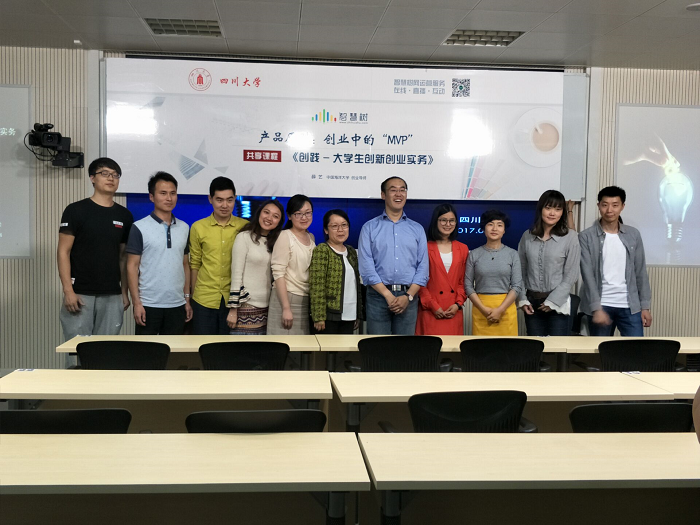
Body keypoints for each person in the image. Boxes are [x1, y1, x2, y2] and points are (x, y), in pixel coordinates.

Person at [57, 157, 133, 348]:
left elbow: (123, 257)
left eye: (115, 175)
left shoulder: (124, 215)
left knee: (107, 352)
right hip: (80, 294)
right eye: (104, 173)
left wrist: (124, 292)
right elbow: (63, 251)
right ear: (92, 178)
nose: (111, 178)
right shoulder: (76, 210)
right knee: (78, 351)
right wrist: (68, 291)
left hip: (112, 294)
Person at [358, 176, 428, 335]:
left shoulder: (417, 229)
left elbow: (423, 268)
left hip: (408, 297)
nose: (399, 194)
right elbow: (366, 268)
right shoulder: (369, 228)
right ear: (383, 195)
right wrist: (387, 295)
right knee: (377, 346)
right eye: (393, 190)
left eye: (402, 190)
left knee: (404, 347)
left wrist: (408, 296)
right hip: (377, 297)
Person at [579, 186, 652, 336]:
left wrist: (645, 306)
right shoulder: (586, 236)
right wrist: (596, 308)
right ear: (598, 205)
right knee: (600, 349)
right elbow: (587, 275)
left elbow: (640, 272)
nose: (609, 210)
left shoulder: (633, 234)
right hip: (602, 305)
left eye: (615, 205)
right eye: (605, 205)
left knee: (637, 348)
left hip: (630, 306)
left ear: (622, 206)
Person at [126, 172, 192, 335]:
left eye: (173, 193)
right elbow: (132, 267)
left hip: (177, 304)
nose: (169, 198)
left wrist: (187, 299)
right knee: (147, 350)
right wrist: (137, 303)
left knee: (174, 350)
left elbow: (185, 264)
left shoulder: (184, 227)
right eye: (163, 193)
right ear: (151, 197)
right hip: (148, 305)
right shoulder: (139, 227)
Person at [189, 177, 248, 335]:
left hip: (233, 300)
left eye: (229, 200)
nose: (225, 205)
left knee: (226, 347)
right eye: (219, 200)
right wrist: (193, 297)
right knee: (202, 345)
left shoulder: (244, 227)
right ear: (210, 199)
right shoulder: (198, 227)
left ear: (235, 199)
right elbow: (195, 264)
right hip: (204, 298)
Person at [518, 189, 580, 336]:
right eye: (548, 208)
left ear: (562, 213)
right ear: (541, 209)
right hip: (532, 304)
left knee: (558, 348)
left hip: (559, 304)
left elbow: (571, 275)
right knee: (535, 346)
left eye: (558, 209)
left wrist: (552, 301)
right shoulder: (527, 236)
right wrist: (522, 299)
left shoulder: (570, 237)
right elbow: (519, 271)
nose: (552, 213)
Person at [226, 199, 284, 335]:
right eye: (266, 212)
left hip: (268, 309)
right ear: (259, 213)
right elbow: (236, 275)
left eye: (275, 216)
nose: (269, 218)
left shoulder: (275, 243)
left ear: (279, 222)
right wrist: (233, 309)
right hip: (245, 307)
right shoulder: (244, 237)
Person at [465, 210, 522, 336]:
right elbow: (468, 286)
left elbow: (517, 286)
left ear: (504, 230)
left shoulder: (513, 254)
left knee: (507, 347)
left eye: (499, 225)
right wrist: (484, 309)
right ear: (483, 228)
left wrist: (500, 310)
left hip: (505, 309)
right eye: (490, 224)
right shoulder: (474, 254)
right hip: (481, 309)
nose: (495, 228)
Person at [415, 204, 468, 335]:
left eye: (452, 221)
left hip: (453, 311)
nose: (448, 224)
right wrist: (432, 305)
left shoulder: (463, 248)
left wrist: (457, 304)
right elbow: (419, 281)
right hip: (430, 310)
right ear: (436, 221)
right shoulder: (425, 247)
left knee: (453, 348)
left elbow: (463, 281)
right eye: (443, 220)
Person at [267, 195, 315, 335]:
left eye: (308, 213)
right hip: (286, 299)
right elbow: (278, 273)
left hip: (305, 300)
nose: (304, 217)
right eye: (298, 214)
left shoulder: (311, 237)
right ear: (289, 216)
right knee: (283, 345)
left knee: (302, 347)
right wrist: (286, 308)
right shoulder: (285, 236)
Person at [310, 209, 362, 335]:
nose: (340, 230)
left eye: (344, 225)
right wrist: (319, 316)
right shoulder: (322, 250)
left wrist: (358, 313)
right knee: (326, 348)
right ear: (326, 230)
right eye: (334, 226)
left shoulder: (351, 252)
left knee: (346, 348)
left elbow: (356, 286)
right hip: (329, 315)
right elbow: (317, 285)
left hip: (350, 314)